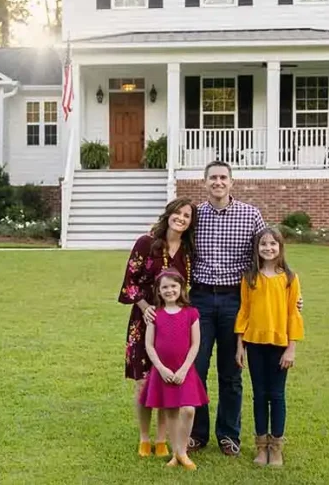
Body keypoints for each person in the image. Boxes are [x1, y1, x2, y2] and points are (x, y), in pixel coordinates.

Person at [188, 160, 265, 457]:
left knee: (231, 371)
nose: (218, 182)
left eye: (223, 178)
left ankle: (229, 434)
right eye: (213, 178)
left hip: (236, 300)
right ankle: (197, 432)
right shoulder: (195, 216)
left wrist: (289, 293)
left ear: (232, 182)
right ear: (204, 182)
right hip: (201, 300)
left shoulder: (250, 215)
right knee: (197, 367)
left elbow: (267, 255)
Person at [118, 198, 197, 458]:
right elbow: (130, 281)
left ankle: (162, 439)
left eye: (187, 216)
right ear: (168, 214)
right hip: (144, 319)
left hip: (173, 323)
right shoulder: (146, 243)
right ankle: (144, 438)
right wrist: (144, 307)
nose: (181, 218)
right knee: (143, 382)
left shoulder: (187, 250)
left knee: (165, 380)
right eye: (178, 213)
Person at [236, 227, 305, 467]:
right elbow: (244, 312)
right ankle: (261, 445)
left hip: (279, 345)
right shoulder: (249, 278)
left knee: (276, 396)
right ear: (257, 249)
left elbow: (293, 314)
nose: (268, 248)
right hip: (254, 344)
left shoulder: (289, 278)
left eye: (273, 244)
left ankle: (276, 447)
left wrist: (291, 348)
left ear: (280, 247)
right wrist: (239, 346)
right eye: (263, 244)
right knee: (259, 396)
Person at [139, 268, 208, 471]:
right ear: (159, 291)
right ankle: (176, 453)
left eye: (173, 286)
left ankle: (182, 450)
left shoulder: (191, 313)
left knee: (188, 409)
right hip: (163, 372)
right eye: (165, 287)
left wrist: (185, 369)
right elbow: (149, 345)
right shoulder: (155, 315)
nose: (170, 290)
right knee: (170, 411)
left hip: (184, 371)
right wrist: (160, 368)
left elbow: (195, 344)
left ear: (181, 288)